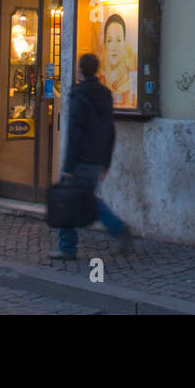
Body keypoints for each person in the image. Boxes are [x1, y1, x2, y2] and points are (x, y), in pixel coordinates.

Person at [50, 53, 133, 260]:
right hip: (96, 159)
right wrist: (106, 162)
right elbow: (110, 130)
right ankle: (118, 228)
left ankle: (68, 246)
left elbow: (74, 133)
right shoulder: (105, 94)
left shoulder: (79, 95)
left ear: (80, 70)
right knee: (87, 199)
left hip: (80, 160)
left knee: (66, 200)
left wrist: (68, 167)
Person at [100, 14, 137, 108]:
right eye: (109, 40)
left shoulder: (130, 76)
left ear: (124, 42)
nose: (114, 47)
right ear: (105, 44)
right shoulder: (102, 78)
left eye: (119, 40)